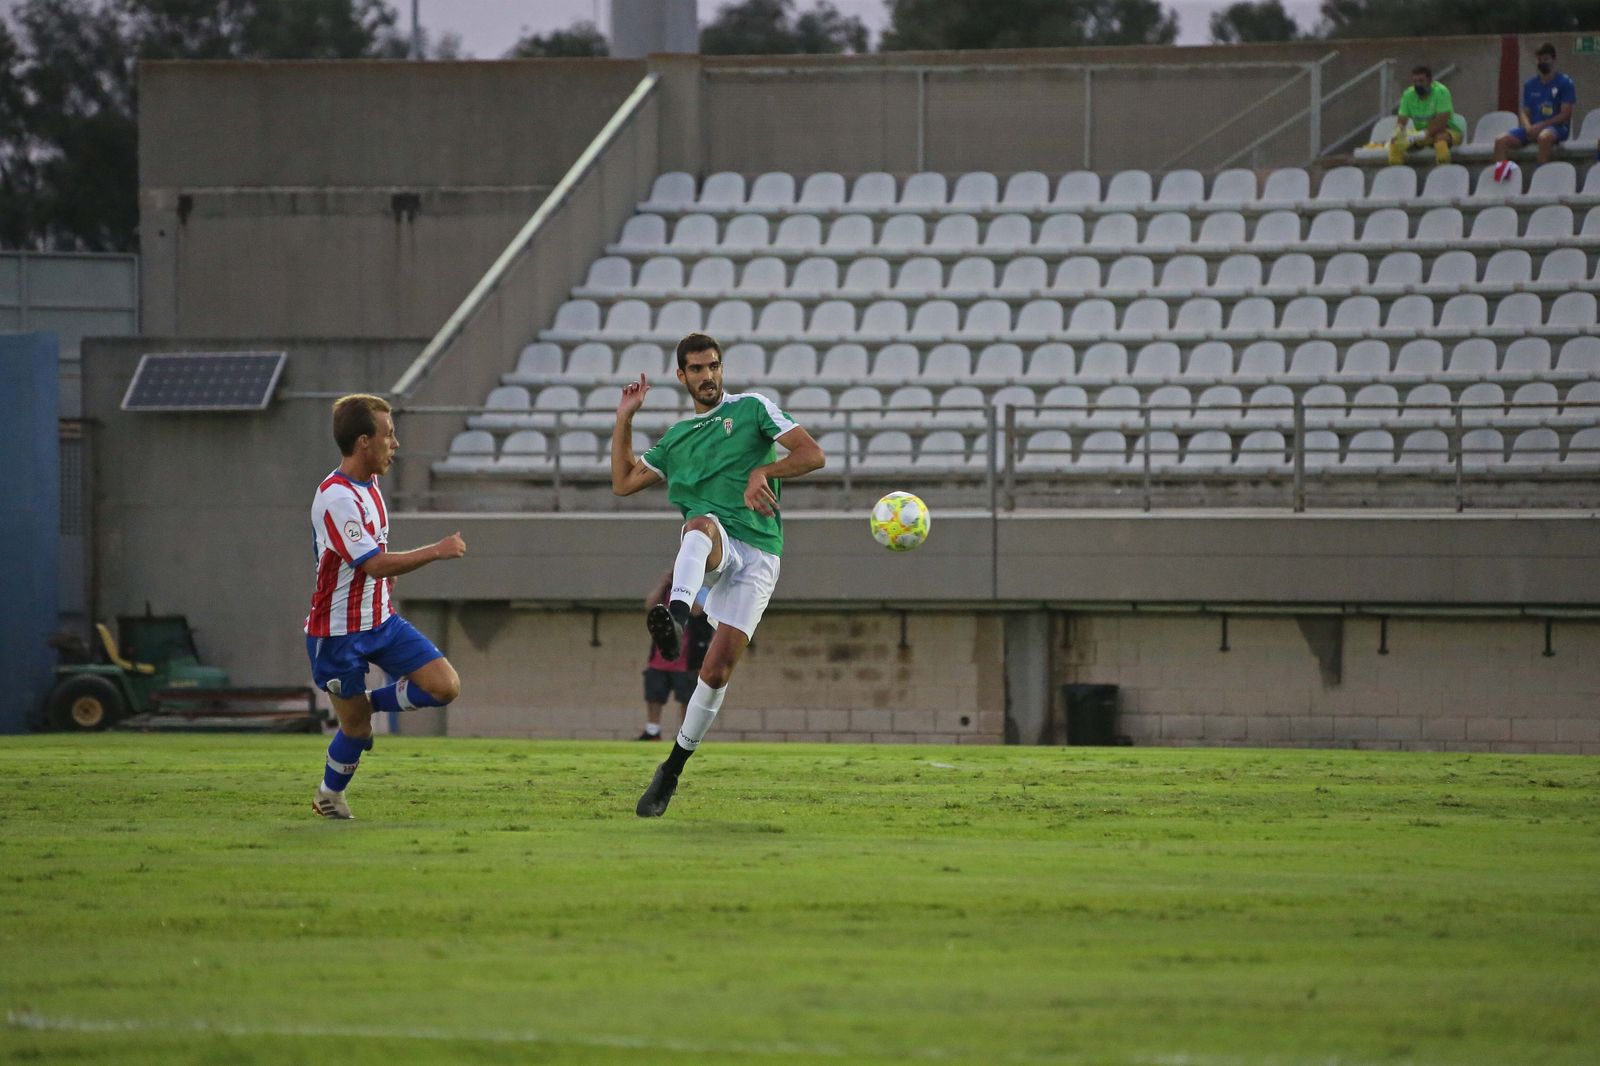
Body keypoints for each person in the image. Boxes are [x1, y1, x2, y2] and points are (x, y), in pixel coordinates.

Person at [611, 332, 825, 817]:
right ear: (681, 376)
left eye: (714, 366)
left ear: (720, 369)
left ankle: (671, 769)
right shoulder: (677, 440)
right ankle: (678, 618)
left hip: (761, 551)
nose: (707, 376)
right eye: (697, 369)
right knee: (698, 526)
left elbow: (813, 455)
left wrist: (763, 473)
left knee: (716, 670)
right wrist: (625, 419)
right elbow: (623, 482)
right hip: (715, 543)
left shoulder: (752, 409)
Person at [304, 394, 467, 819]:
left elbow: (371, 558)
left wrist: (387, 574)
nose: (395, 444)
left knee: (445, 686)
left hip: (380, 621)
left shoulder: (371, 485)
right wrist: (436, 550)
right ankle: (328, 797)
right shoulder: (337, 498)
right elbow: (372, 562)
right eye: (388, 435)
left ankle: (370, 701)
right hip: (337, 634)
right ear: (363, 442)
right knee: (356, 730)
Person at [637, 572, 714, 741]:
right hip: (659, 658)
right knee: (654, 695)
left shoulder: (702, 587)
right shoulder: (667, 589)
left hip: (687, 659)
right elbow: (649, 605)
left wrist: (688, 586)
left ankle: (683, 733)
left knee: (686, 697)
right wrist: (664, 583)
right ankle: (652, 730)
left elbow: (696, 611)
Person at [1495, 43, 1576, 167]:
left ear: (1554, 60)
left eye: (1546, 59)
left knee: (1544, 138)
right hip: (1532, 129)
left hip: (1556, 128)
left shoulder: (1565, 82)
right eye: (1539, 59)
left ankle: (1540, 176)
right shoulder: (1530, 84)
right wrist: (1528, 128)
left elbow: (1565, 114)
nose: (1542, 62)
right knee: (1500, 140)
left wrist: (1542, 126)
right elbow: (1524, 111)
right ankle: (1503, 177)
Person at [1388, 65, 1466, 166]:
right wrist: (1397, 132)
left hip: (1447, 131)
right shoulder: (1408, 94)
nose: (1418, 85)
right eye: (1415, 81)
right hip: (1422, 134)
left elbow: (1440, 123)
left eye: (1421, 81)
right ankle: (1396, 174)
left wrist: (1418, 136)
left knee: (1440, 139)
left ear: (1430, 81)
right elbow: (1402, 120)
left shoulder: (1441, 92)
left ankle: (1443, 172)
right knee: (1396, 144)